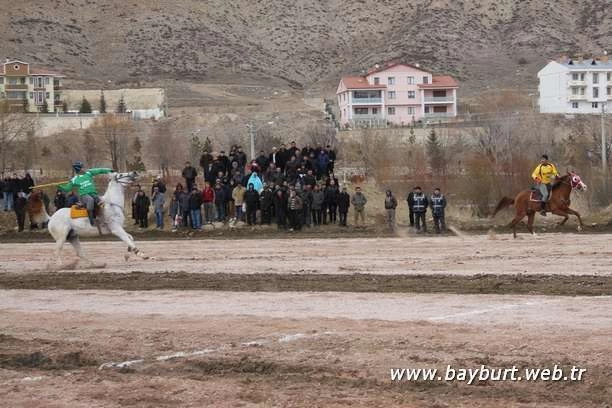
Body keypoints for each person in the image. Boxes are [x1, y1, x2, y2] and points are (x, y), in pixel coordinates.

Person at [58, 161, 112, 226]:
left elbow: (99, 170)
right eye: (82, 167)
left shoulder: (89, 173)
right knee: (90, 200)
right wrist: (60, 186)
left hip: (93, 194)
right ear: (78, 169)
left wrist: (109, 170)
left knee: (100, 202)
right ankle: (91, 221)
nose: (84, 168)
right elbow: (67, 188)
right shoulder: (74, 179)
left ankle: (105, 219)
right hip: (84, 196)